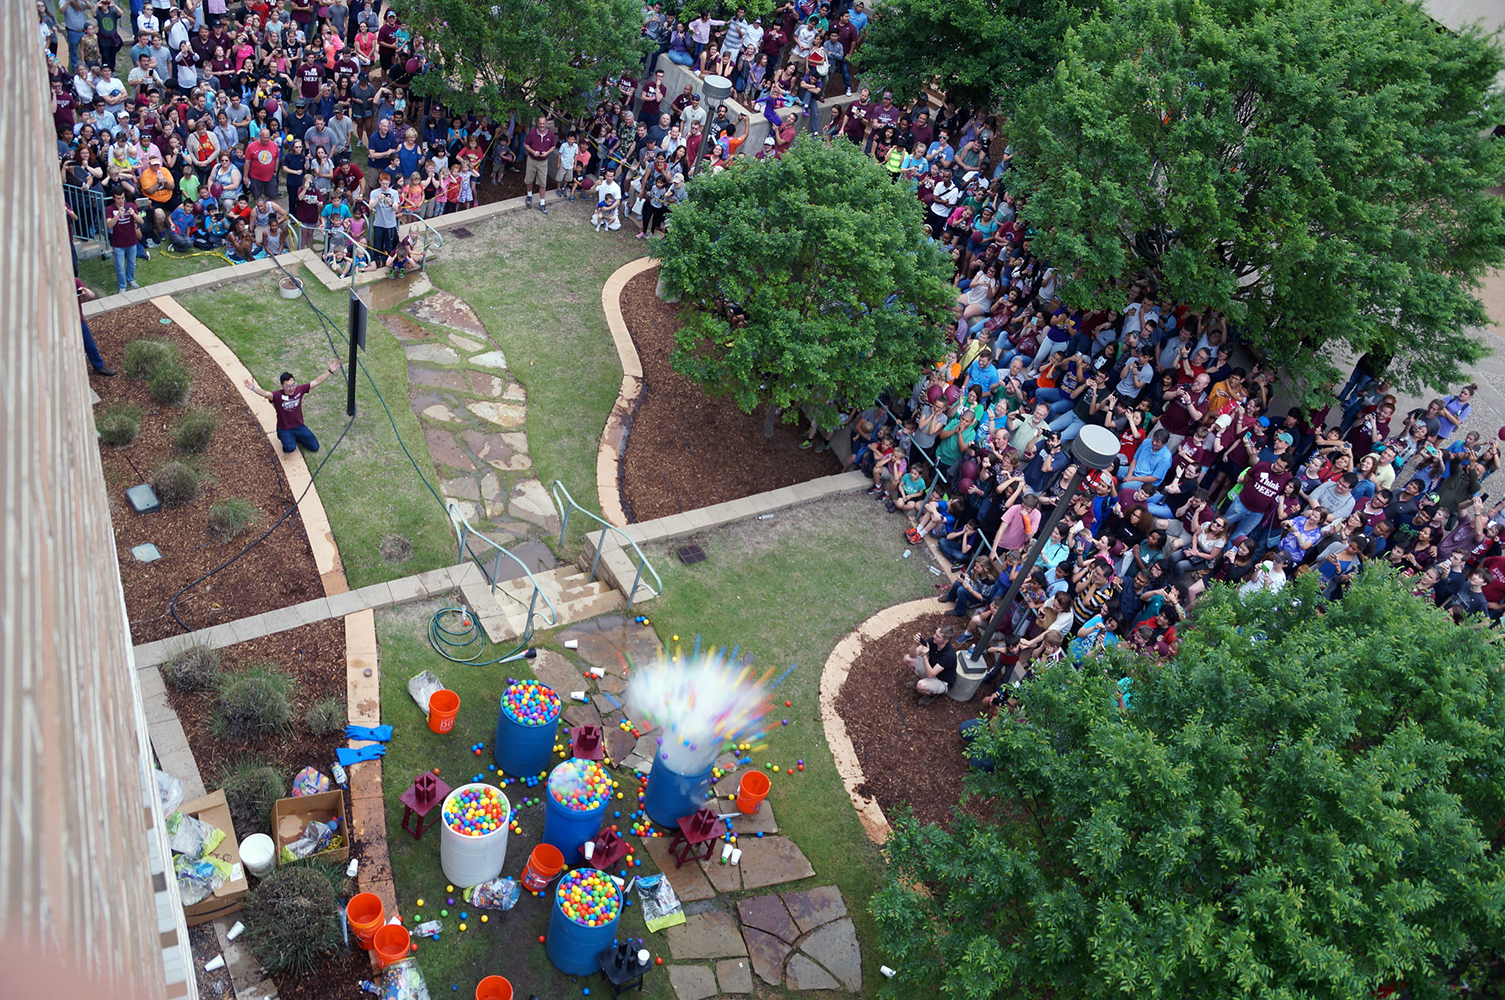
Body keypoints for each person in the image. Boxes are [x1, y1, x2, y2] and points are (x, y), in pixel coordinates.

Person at [244, 361, 341, 454]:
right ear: (282, 386)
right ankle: (285, 438)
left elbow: (316, 381)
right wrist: (253, 388)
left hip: (299, 426)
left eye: (293, 385)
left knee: (315, 447)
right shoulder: (277, 396)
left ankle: (297, 437)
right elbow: (265, 393)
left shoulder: (299, 390)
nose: (291, 389)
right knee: (290, 448)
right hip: (285, 428)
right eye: (287, 387)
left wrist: (329, 371)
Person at [904, 625, 958, 701]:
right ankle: (924, 681)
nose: (934, 636)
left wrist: (925, 656)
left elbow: (930, 675)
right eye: (935, 633)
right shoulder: (933, 641)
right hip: (931, 669)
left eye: (938, 636)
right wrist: (914, 643)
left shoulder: (949, 656)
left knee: (920, 685)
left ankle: (932, 695)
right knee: (907, 659)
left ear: (945, 641)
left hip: (942, 680)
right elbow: (912, 655)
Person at [522, 114, 556, 214]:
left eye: (543, 123)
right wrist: (533, 152)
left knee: (542, 183)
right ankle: (529, 195)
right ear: (537, 124)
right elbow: (525, 145)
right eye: (540, 123)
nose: (542, 125)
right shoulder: (532, 133)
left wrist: (547, 153)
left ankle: (542, 203)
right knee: (529, 179)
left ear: (546, 123)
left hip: (543, 161)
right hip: (532, 160)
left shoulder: (550, 134)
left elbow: (553, 146)